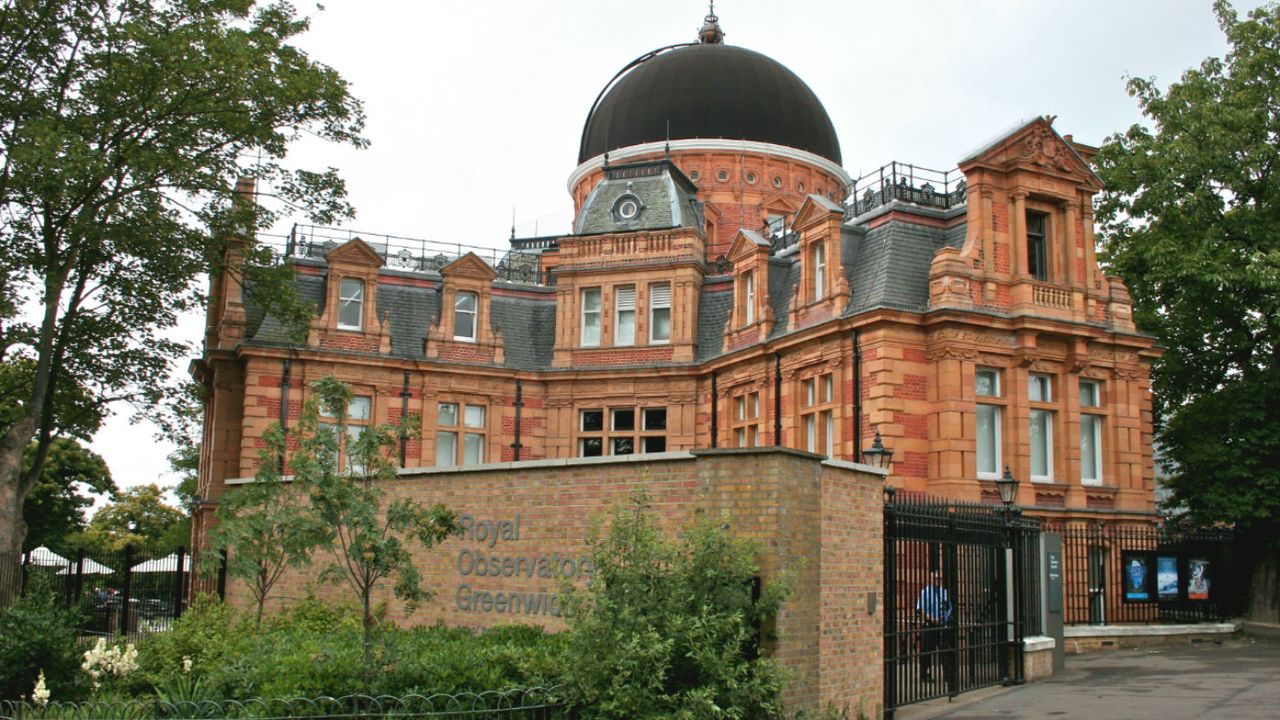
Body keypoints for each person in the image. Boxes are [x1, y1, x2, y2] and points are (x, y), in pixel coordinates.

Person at [917, 570, 952, 683]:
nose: (938, 581)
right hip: (930, 625)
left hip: (942, 625)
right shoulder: (925, 592)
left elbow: (949, 608)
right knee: (926, 651)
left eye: (939, 579)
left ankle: (947, 674)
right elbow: (921, 609)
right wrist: (931, 619)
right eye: (936, 579)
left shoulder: (944, 592)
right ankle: (924, 674)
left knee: (945, 650)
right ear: (931, 580)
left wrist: (944, 618)